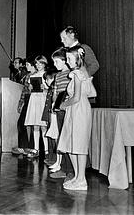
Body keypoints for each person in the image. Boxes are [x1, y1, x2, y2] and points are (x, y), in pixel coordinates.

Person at [57, 45, 97, 190]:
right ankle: (77, 177)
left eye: (69, 58)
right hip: (76, 109)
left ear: (78, 58)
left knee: (79, 144)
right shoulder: (82, 73)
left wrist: (63, 104)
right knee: (70, 143)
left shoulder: (77, 74)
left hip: (78, 109)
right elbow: (89, 93)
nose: (67, 61)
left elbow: (76, 98)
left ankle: (82, 179)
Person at [48, 47, 72, 179]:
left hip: (68, 109)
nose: (55, 64)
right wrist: (54, 103)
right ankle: (63, 167)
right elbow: (56, 92)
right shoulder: (57, 76)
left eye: (57, 62)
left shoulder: (71, 74)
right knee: (61, 139)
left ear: (65, 61)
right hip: (59, 110)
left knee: (67, 139)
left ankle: (69, 170)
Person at [24, 55, 49, 158]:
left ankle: (47, 150)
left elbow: (51, 88)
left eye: (40, 63)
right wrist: (30, 87)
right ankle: (36, 149)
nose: (38, 65)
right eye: (37, 63)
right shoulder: (33, 76)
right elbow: (31, 89)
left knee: (43, 126)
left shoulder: (47, 75)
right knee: (35, 125)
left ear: (44, 64)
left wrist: (46, 87)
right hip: (34, 100)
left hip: (42, 100)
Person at [12, 55, 36, 155]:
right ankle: (24, 146)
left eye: (27, 64)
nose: (26, 67)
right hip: (27, 99)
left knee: (25, 124)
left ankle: (27, 147)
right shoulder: (28, 75)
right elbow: (24, 91)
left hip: (32, 100)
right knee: (22, 124)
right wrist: (21, 103)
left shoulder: (35, 75)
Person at [41, 67, 58, 165]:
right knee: (50, 137)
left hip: (53, 115)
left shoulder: (54, 89)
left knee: (54, 137)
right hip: (49, 115)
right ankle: (51, 157)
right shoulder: (50, 89)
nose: (46, 82)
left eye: (47, 79)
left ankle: (54, 158)